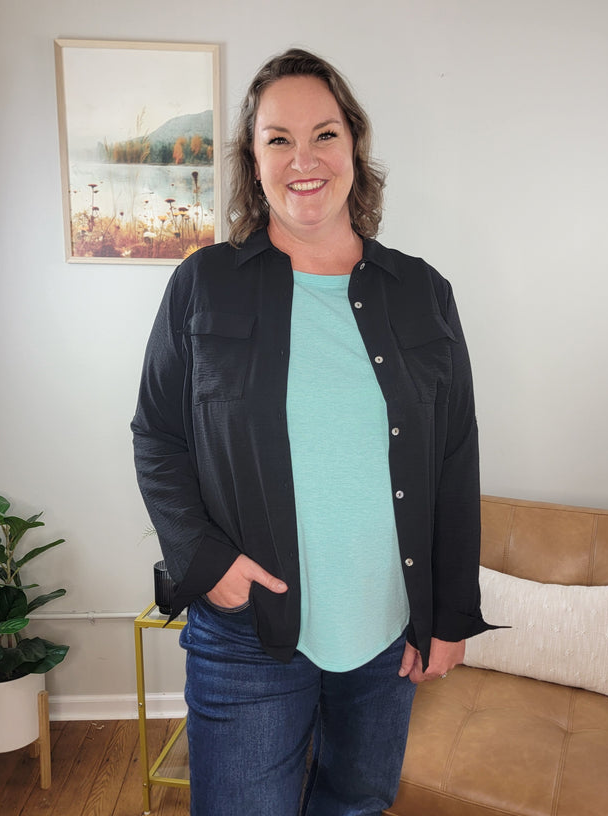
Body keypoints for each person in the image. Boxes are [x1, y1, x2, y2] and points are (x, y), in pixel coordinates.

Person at [131, 47, 494, 816]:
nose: (305, 159)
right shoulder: (203, 284)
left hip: (385, 636)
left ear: (354, 148)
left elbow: (455, 458)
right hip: (247, 636)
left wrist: (450, 615)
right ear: (252, 158)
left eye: (325, 135)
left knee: (356, 806)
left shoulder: (424, 294)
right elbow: (157, 435)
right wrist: (206, 560)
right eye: (278, 139)